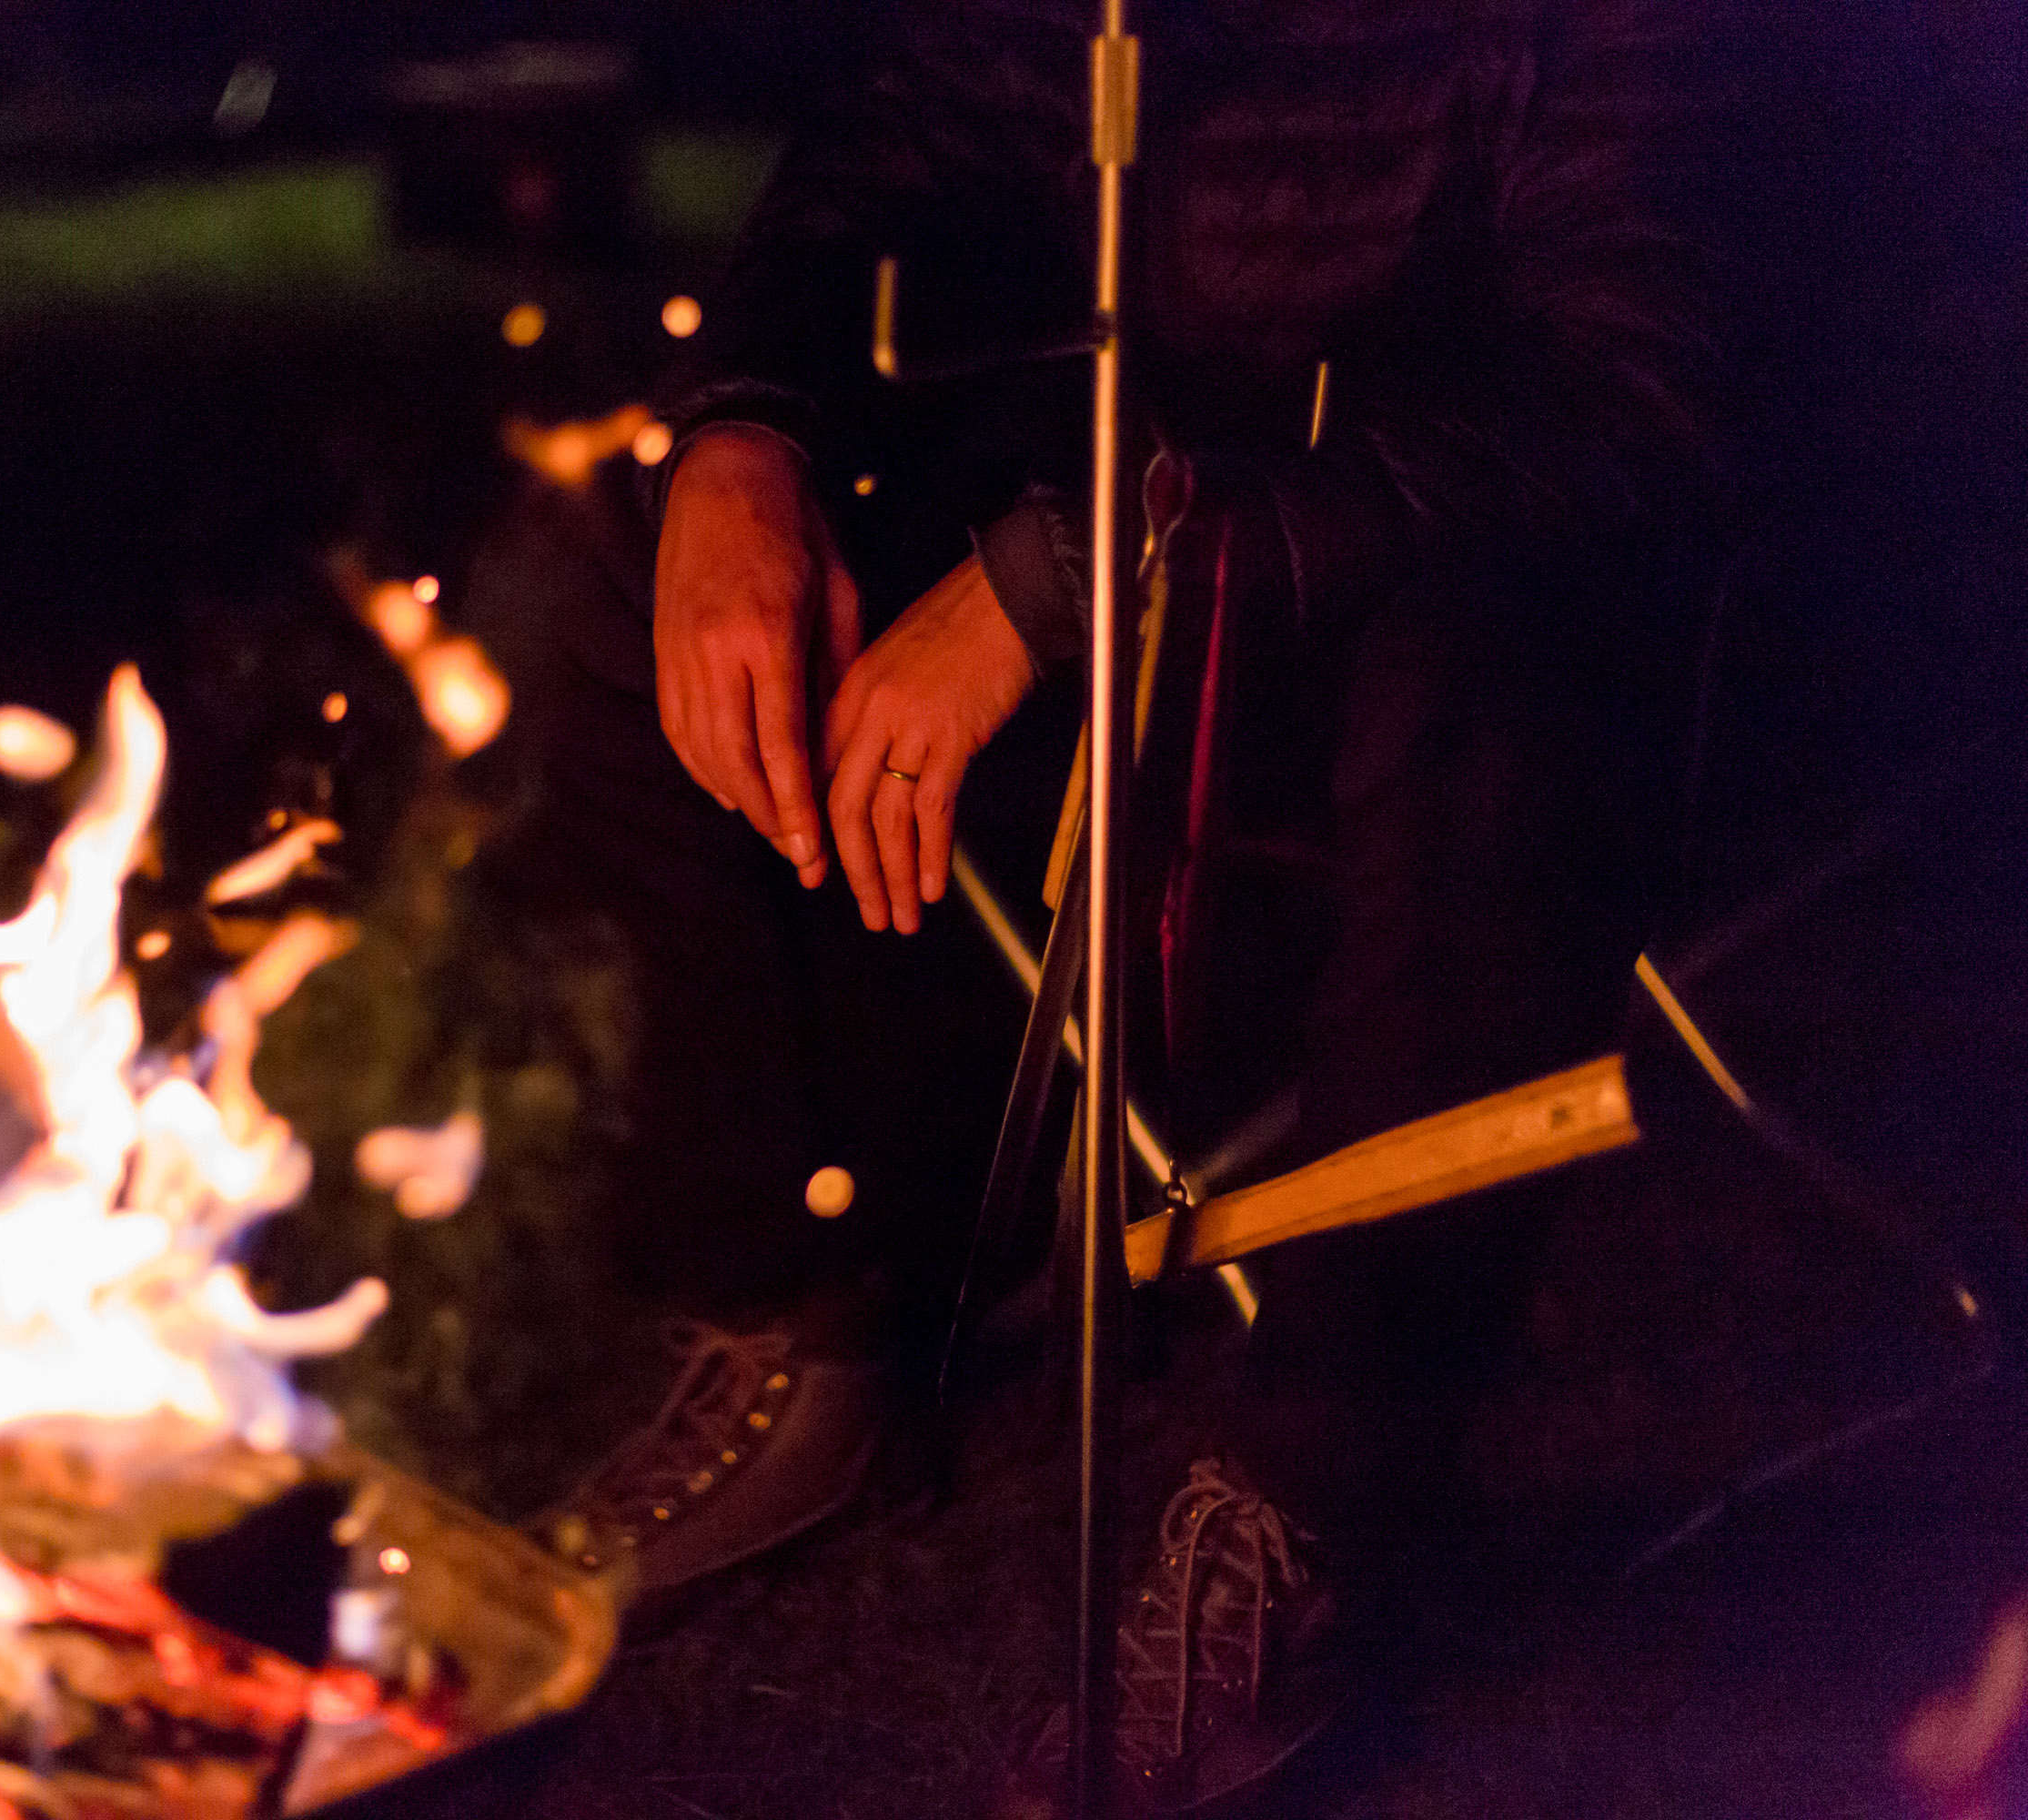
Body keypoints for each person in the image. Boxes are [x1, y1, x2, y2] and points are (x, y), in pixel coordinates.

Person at [469, 0, 1723, 1806]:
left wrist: (1085, 570)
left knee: (1489, 651)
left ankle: (1308, 1503)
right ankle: (808, 1311)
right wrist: (742, 435)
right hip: (1113, 545)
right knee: (629, 560)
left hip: (1440, 617)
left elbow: (1631, 409)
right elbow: (880, 150)